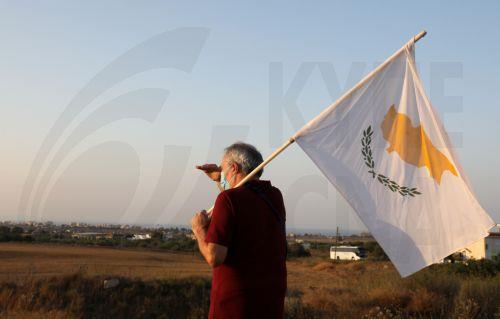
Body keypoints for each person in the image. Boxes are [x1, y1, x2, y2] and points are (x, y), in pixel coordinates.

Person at [191, 142, 287, 319]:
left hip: (234, 307)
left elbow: (214, 257)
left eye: (223, 168)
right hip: (270, 304)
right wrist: (220, 179)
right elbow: (241, 199)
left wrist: (199, 230)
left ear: (234, 167)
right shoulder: (275, 197)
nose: (222, 173)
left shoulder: (227, 199)